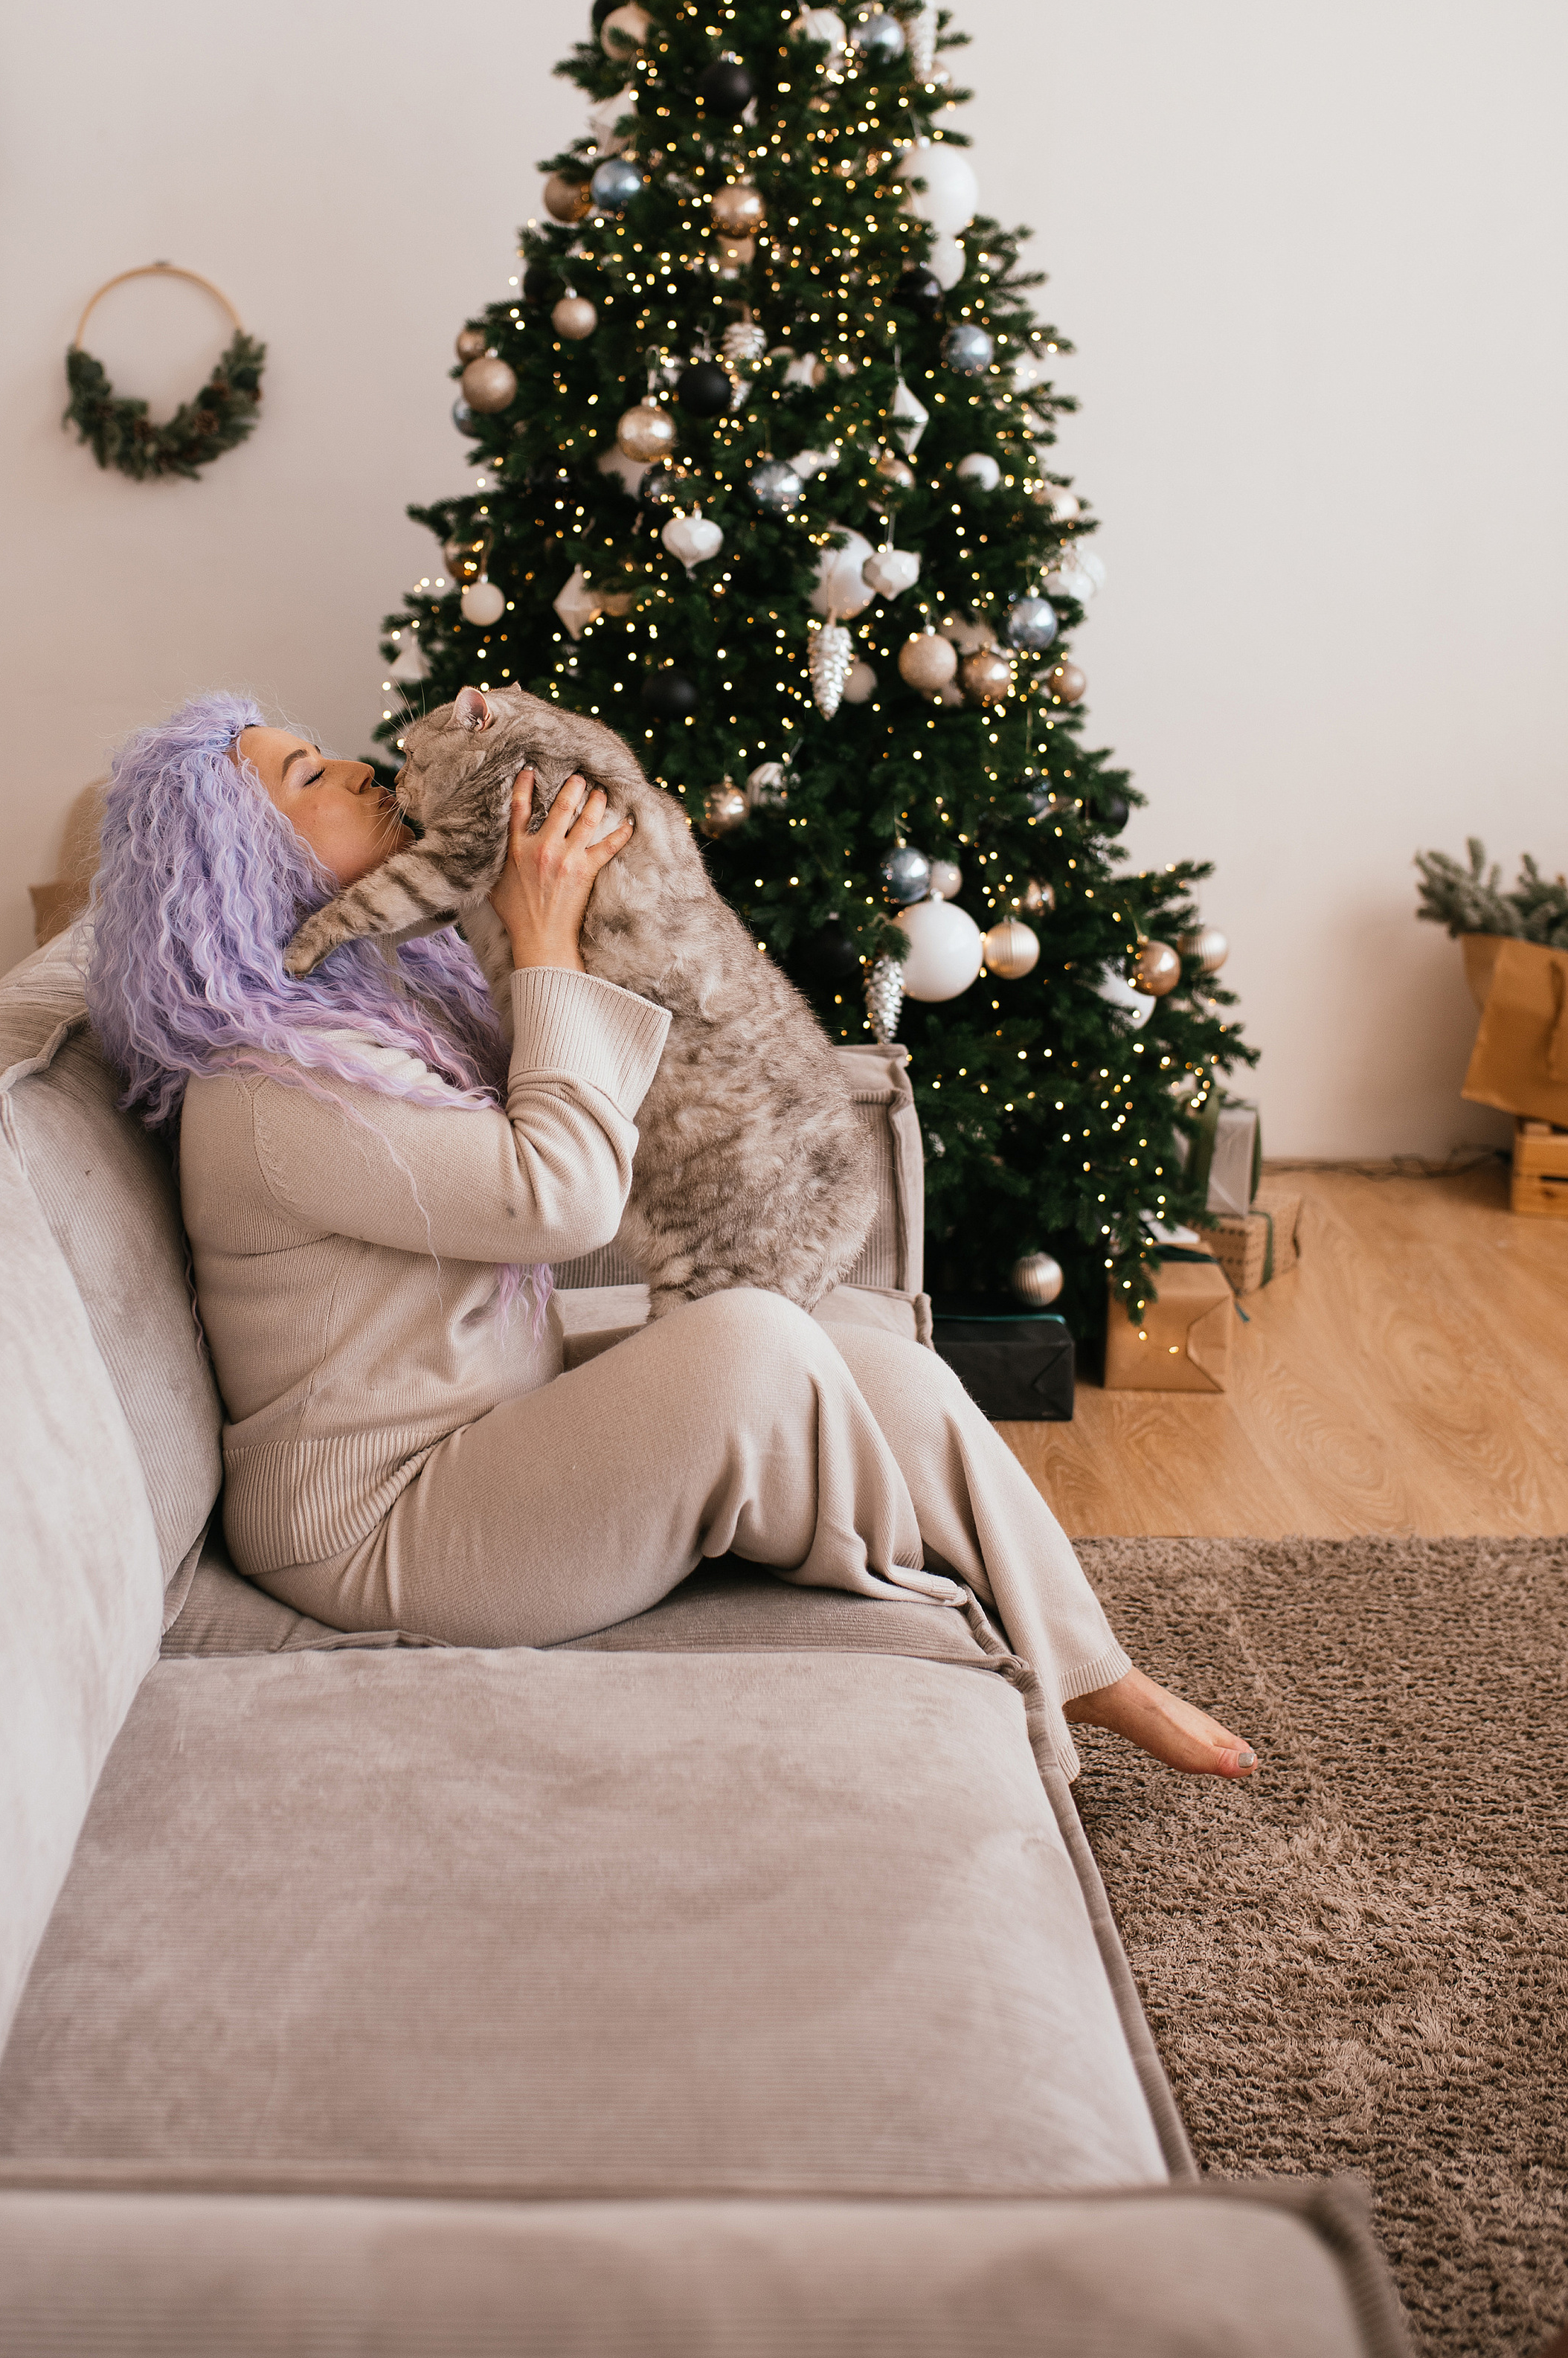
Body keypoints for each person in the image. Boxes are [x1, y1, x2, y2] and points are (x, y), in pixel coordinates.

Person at [87, 690, 1256, 1784]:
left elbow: (587, 1096)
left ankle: (1095, 1670)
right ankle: (910, 1598)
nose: (356, 767)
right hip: (376, 1525)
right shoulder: (269, 1094)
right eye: (310, 777)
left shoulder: (373, 1004)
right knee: (748, 1341)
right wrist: (542, 942)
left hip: (493, 1418)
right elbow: (561, 1198)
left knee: (855, 1344)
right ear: (246, 857)